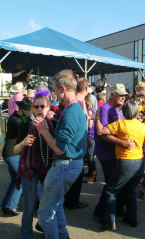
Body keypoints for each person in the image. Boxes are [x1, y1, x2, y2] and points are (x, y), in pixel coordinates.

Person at [32, 69, 87, 239]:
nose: (54, 93)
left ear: (62, 88)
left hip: (65, 165)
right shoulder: (75, 108)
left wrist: (42, 130)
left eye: (55, 90)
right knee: (55, 204)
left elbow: (59, 148)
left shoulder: (71, 112)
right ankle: (63, 235)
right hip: (69, 165)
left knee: (45, 212)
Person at [96, 101, 145, 231]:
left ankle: (110, 221)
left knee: (111, 190)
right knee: (131, 190)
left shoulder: (120, 124)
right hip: (139, 161)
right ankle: (132, 218)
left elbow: (101, 132)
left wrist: (97, 118)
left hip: (125, 161)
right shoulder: (143, 127)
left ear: (124, 112)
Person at [14, 89, 57, 239]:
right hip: (29, 170)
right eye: (36, 106)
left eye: (42, 106)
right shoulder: (25, 125)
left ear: (48, 107)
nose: (39, 109)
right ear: (33, 108)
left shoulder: (54, 124)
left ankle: (43, 225)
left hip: (49, 171)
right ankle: (26, 235)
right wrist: (23, 143)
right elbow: (14, 149)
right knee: (29, 208)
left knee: (49, 206)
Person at [93, 83, 134, 222]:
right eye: (120, 95)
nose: (123, 97)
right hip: (107, 153)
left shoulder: (116, 109)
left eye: (124, 95)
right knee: (112, 183)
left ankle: (114, 209)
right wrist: (122, 142)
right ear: (112, 95)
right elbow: (103, 134)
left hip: (113, 152)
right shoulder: (105, 109)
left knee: (115, 183)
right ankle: (100, 211)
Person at [1, 98, 31, 217]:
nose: (26, 115)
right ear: (20, 110)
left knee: (15, 180)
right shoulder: (16, 120)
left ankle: (6, 205)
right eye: (25, 113)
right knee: (21, 180)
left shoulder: (16, 117)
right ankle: (10, 206)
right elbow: (27, 126)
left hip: (11, 153)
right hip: (12, 153)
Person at [63, 77, 89, 209]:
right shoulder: (78, 102)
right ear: (86, 88)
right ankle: (72, 200)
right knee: (76, 173)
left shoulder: (78, 100)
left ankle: (71, 199)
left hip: (77, 144)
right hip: (76, 145)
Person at [83, 95, 97, 183]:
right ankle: (90, 172)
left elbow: (90, 125)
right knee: (88, 156)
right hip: (92, 136)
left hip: (90, 136)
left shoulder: (89, 111)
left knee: (90, 156)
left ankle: (93, 176)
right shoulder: (92, 110)